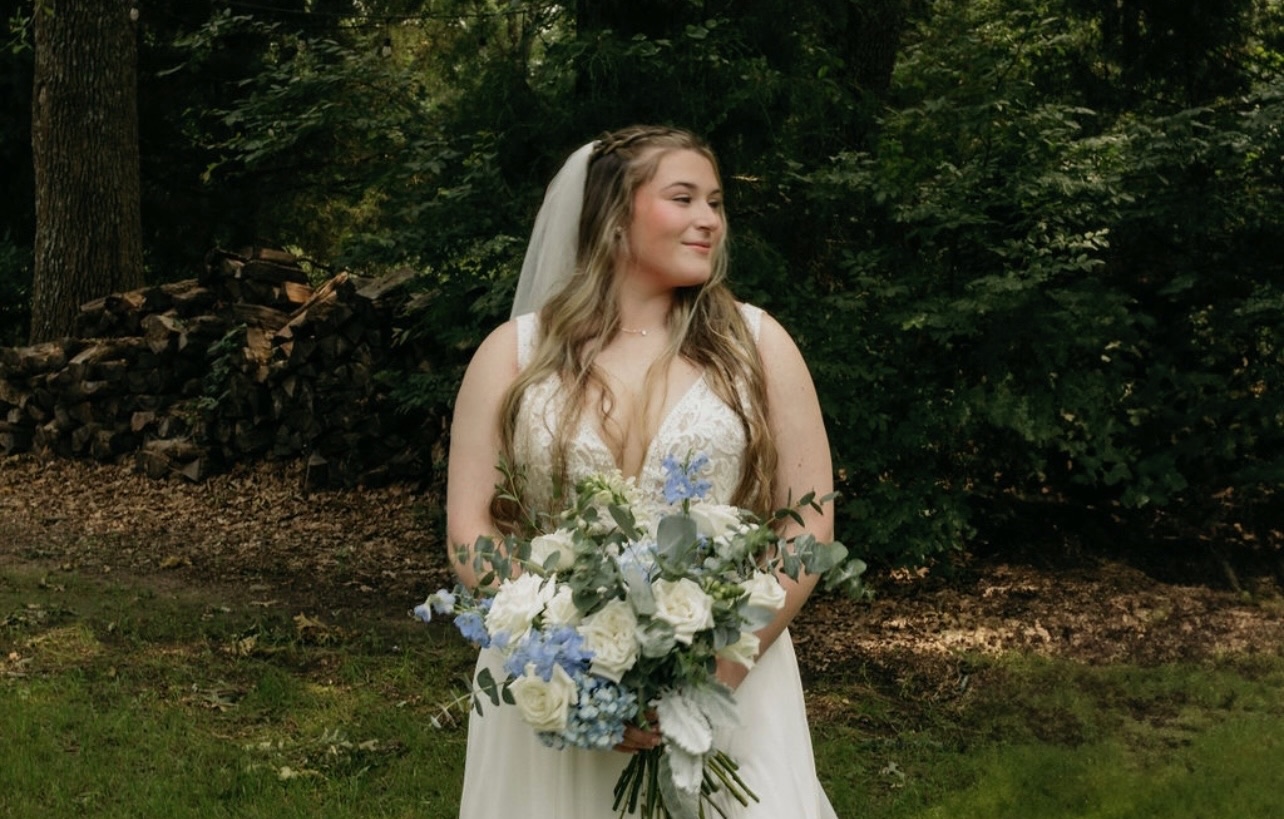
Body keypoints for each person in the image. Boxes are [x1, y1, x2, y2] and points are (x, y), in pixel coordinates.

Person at [445, 125, 838, 818]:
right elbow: (470, 526)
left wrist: (716, 668)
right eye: (683, 197)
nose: (709, 219)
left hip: (733, 680)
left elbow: (807, 523)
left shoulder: (757, 344)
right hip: (556, 690)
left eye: (715, 202)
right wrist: (560, 657)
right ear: (613, 217)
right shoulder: (513, 354)